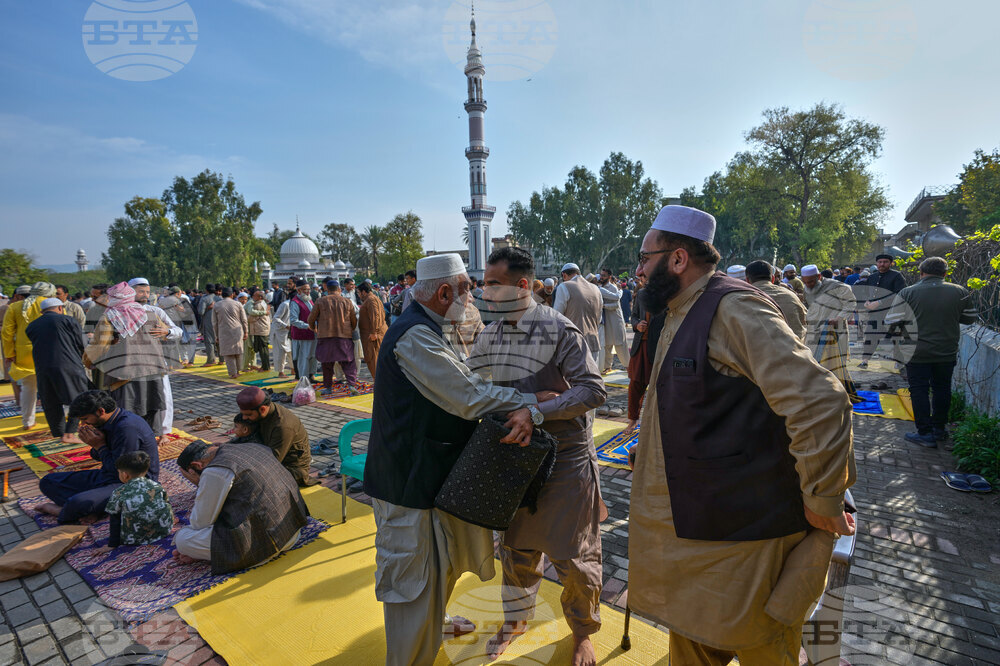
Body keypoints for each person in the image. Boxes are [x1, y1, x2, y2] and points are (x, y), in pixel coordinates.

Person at [628, 205, 856, 665]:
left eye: (644, 258)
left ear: (677, 259)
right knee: (693, 641)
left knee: (760, 640)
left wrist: (822, 498)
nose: (637, 271)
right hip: (697, 538)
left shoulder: (734, 308)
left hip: (745, 543)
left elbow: (818, 402)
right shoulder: (679, 309)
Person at [363, 253, 542, 666]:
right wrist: (533, 402)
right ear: (445, 292)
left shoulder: (431, 326)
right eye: (467, 287)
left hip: (426, 475)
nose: (474, 294)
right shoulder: (414, 336)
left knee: (434, 566)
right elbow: (468, 396)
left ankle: (436, 621)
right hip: (405, 483)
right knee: (412, 583)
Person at [467, 247, 607, 666]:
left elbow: (593, 390)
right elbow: (472, 390)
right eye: (483, 283)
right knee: (516, 551)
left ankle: (583, 630)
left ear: (523, 286)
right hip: (514, 458)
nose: (483, 292)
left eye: (493, 284)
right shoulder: (489, 335)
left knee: (575, 557)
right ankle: (515, 620)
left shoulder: (559, 331)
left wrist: (537, 411)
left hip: (563, 459)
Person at [172, 440, 309, 574]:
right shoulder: (252, 445)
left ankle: (205, 553)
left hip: (268, 544)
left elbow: (200, 522)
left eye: (189, 477)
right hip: (292, 527)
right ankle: (205, 552)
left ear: (197, 465)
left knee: (182, 539)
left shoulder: (214, 470)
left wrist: (200, 482)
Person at [885, 257, 978, 447]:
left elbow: (892, 320)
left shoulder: (908, 292)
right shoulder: (959, 291)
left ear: (921, 273)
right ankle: (939, 429)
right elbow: (970, 319)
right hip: (946, 351)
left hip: (916, 351)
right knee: (942, 389)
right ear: (945, 273)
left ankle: (924, 433)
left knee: (918, 390)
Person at [37, 390, 160, 524]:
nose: (84, 424)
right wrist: (96, 445)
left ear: (101, 411)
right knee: (48, 482)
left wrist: (100, 446)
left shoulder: (126, 428)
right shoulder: (107, 422)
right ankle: (93, 509)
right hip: (108, 475)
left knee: (78, 502)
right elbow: (101, 458)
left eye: (85, 419)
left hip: (131, 482)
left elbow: (120, 472)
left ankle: (62, 511)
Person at [25, 298, 91, 444]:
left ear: (42, 312)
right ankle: (69, 433)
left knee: (51, 401)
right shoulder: (68, 320)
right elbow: (82, 343)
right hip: (68, 365)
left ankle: (58, 434)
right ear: (60, 308)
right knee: (78, 399)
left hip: (43, 368)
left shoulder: (31, 326)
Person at [131, 278, 184, 438]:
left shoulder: (156, 312)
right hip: (131, 363)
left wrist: (166, 332)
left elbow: (178, 331)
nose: (145, 295)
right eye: (141, 291)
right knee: (133, 397)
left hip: (155, 361)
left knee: (162, 394)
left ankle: (163, 431)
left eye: (147, 292)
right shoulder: (120, 312)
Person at [235, 387, 317, 486]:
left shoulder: (283, 426)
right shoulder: (261, 414)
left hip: (291, 469)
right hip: (268, 456)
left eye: (248, 414)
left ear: (262, 409)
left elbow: (271, 463)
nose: (244, 418)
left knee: (245, 483)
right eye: (242, 414)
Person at [801, 264, 859, 397]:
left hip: (835, 330)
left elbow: (851, 302)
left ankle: (836, 392)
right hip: (814, 330)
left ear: (819, 277)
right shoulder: (806, 288)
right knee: (813, 359)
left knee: (835, 361)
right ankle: (818, 391)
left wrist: (839, 318)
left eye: (811, 281)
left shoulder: (837, 287)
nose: (808, 285)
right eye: (805, 282)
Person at [2, 281, 54, 429]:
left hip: (24, 353)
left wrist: (9, 353)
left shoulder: (14, 307)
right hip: (49, 351)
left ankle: (28, 421)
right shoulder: (52, 305)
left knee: (28, 388)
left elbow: (7, 333)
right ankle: (56, 421)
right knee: (52, 386)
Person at [102, 451, 173, 550]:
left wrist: (112, 544)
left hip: (134, 539)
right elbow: (166, 504)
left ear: (125, 475)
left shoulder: (119, 492)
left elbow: (115, 519)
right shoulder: (156, 486)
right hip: (163, 531)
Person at [307, 280, 359, 393]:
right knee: (348, 361)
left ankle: (328, 387)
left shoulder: (320, 301)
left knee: (327, 363)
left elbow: (311, 319)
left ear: (327, 289)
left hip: (326, 336)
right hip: (344, 335)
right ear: (339, 289)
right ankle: (351, 385)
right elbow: (353, 320)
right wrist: (351, 329)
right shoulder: (347, 301)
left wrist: (313, 328)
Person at [857, 254, 907, 367]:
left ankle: (899, 361)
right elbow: (867, 292)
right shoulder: (872, 277)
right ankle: (865, 360)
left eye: (885, 262)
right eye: (880, 262)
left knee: (896, 338)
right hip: (875, 314)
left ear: (891, 263)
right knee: (870, 336)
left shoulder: (897, 276)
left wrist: (880, 303)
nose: (882, 264)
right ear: (876, 263)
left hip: (893, 313)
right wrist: (867, 302)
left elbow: (899, 294)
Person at [552, 263, 602, 365]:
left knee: (574, 379)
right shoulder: (595, 289)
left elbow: (557, 318)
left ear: (564, 275)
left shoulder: (564, 287)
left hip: (572, 345)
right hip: (593, 341)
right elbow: (599, 318)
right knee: (592, 378)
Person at [745, 260, 807, 342]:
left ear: (747, 280)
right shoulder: (791, 295)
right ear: (773, 278)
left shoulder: (744, 299)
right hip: (796, 350)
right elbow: (806, 320)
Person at [597, 267, 630, 374]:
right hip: (606, 321)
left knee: (620, 344)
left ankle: (628, 366)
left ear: (609, 277)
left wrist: (603, 306)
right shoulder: (600, 287)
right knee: (607, 345)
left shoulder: (613, 288)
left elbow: (616, 304)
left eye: (604, 275)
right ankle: (608, 366)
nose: (601, 277)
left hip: (616, 320)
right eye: (601, 275)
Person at [211, 287, 248, 379]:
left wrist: (216, 335)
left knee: (228, 353)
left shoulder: (217, 305)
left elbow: (214, 322)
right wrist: (246, 331)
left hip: (224, 331)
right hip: (237, 330)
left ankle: (233, 373)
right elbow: (244, 319)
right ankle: (239, 371)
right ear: (232, 295)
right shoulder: (238, 304)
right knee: (238, 351)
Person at [357, 281, 387, 378]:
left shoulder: (371, 300)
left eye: (358, 293)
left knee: (373, 360)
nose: (358, 295)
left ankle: (380, 386)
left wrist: (374, 332)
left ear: (363, 292)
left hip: (373, 336)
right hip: (374, 334)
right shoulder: (373, 299)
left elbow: (375, 317)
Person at [288, 279, 317, 380]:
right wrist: (307, 326)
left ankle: (311, 375)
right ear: (299, 290)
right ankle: (303, 379)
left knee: (313, 356)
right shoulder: (295, 302)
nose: (308, 291)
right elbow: (293, 320)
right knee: (304, 358)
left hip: (313, 333)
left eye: (309, 289)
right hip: (302, 335)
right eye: (305, 289)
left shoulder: (309, 300)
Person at [197, 284, 221, 366]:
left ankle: (211, 360)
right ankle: (222, 359)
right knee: (219, 340)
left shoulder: (205, 299)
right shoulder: (219, 298)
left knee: (209, 341)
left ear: (206, 290)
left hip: (209, 321)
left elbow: (201, 312)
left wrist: (208, 308)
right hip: (220, 322)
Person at [270, 297, 292, 377]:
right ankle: (281, 372)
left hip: (290, 332)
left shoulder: (298, 304)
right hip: (280, 332)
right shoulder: (285, 305)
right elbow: (276, 318)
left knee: (291, 351)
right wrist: (286, 326)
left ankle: (293, 369)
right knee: (281, 352)